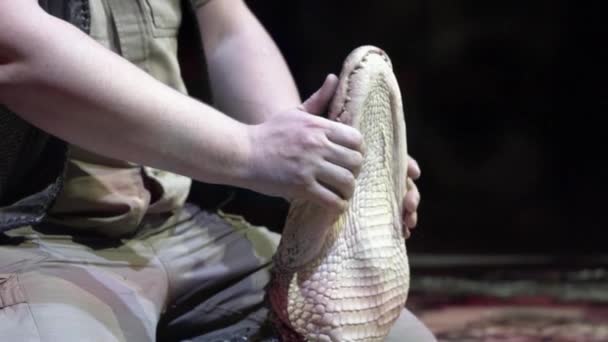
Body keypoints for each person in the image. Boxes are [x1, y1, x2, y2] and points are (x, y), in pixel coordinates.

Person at [0, 0, 433, 341]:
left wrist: (311, 166)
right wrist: (250, 151)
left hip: (177, 226)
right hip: (29, 237)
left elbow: (228, 26)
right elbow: (14, 49)